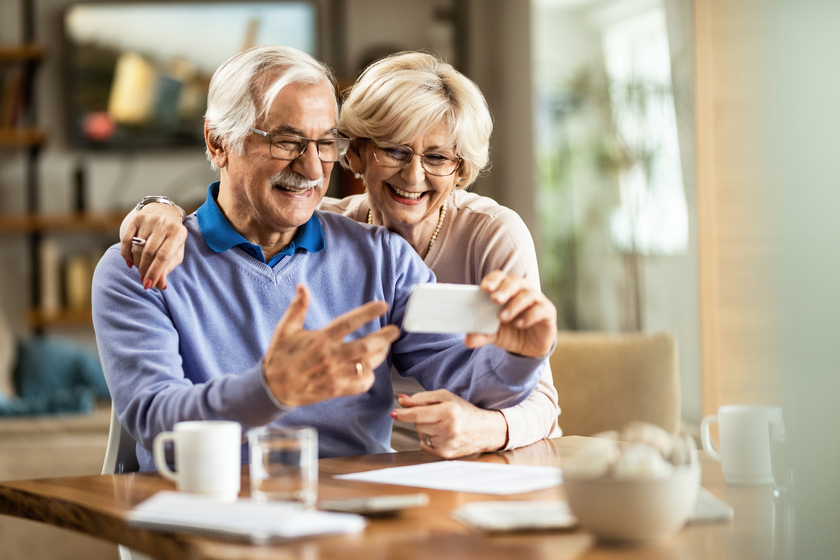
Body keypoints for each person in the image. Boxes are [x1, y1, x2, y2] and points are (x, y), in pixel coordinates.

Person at [92, 45, 557, 471]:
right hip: (212, 509)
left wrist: (520, 355)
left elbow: (467, 381)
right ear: (218, 143)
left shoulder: (381, 255)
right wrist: (270, 389)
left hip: (361, 516)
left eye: (324, 144)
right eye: (287, 141)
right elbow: (155, 420)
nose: (312, 168)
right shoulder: (137, 267)